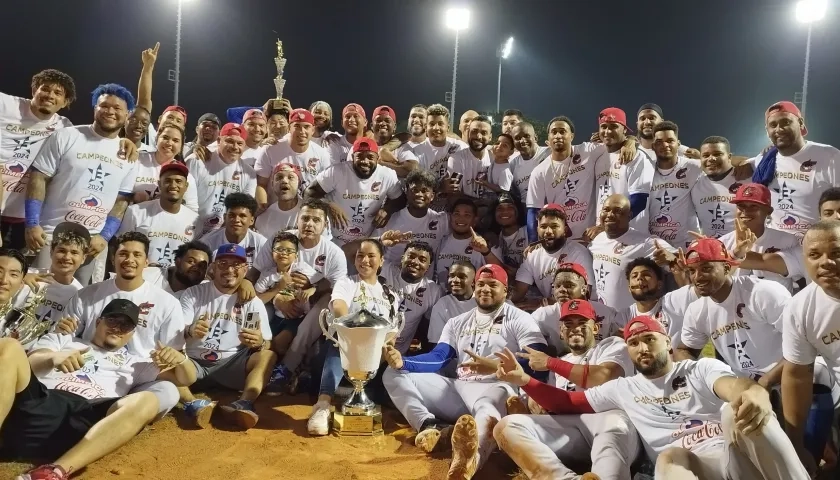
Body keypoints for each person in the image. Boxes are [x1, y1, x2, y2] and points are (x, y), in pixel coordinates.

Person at [496, 315, 811, 480]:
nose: (642, 348)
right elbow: (567, 404)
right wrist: (524, 381)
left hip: (737, 460)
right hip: (698, 470)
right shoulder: (625, 388)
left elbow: (732, 387)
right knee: (668, 458)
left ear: (668, 345)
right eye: (634, 344)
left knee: (734, 412)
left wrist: (753, 391)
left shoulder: (699, 368)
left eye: (649, 340)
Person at [382, 264, 547, 479]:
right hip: (459, 387)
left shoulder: (520, 318)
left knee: (488, 407)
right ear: (474, 286)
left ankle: (468, 462)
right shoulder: (457, 321)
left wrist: (495, 366)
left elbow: (538, 362)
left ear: (505, 290)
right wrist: (403, 362)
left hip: (497, 386)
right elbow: (439, 358)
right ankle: (429, 425)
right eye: (481, 284)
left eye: (492, 285)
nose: (485, 289)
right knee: (392, 374)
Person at [1, 299, 196, 480]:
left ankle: (54, 472)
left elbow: (185, 378)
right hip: (41, 402)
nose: (117, 328)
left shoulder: (137, 364)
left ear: (132, 333)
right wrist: (53, 358)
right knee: (9, 345)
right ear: (98, 322)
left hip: (86, 418)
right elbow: (31, 361)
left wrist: (182, 359)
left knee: (148, 400)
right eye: (112, 320)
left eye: (125, 325)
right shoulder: (65, 340)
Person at [494, 299, 639, 480]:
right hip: (571, 429)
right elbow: (557, 403)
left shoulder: (612, 345)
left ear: (596, 328)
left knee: (614, 424)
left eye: (582, 323)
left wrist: (550, 362)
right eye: (568, 324)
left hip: (609, 421)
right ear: (561, 332)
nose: (575, 328)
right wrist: (524, 383)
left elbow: (604, 375)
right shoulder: (562, 362)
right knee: (507, 426)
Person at [25, 83, 139, 284]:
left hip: (91, 243)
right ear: (95, 108)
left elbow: (122, 200)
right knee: (36, 297)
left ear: (127, 114)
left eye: (117, 108)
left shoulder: (128, 155)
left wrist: (104, 236)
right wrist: (32, 223)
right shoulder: (67, 136)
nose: (109, 111)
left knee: (76, 302)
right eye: (104, 106)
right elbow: (38, 177)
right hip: (50, 235)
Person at [307, 238, 402, 436]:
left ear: (382, 260)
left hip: (372, 359)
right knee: (342, 343)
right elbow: (339, 305)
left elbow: (392, 331)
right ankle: (322, 406)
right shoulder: (347, 282)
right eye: (360, 256)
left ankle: (362, 396)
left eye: (371, 256)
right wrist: (353, 331)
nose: (365, 260)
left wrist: (387, 347)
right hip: (345, 351)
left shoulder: (391, 293)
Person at [178, 244, 276, 430]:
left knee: (267, 356)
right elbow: (178, 330)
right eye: (223, 264)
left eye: (236, 265)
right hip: (193, 361)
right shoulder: (194, 293)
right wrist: (190, 330)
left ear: (245, 270)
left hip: (231, 363)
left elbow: (266, 342)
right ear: (213, 268)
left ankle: (244, 403)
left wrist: (259, 342)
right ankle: (193, 404)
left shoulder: (250, 301)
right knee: (164, 357)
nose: (229, 270)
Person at [782, 221, 840, 475]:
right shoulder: (801, 308)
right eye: (814, 255)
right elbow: (797, 375)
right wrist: (795, 442)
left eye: (836, 253)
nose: (825, 262)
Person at [1, 69, 75, 250]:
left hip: (25, 217)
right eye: (45, 89)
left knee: (14, 273)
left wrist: (127, 141)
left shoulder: (64, 127)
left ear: (65, 102)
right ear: (34, 90)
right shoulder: (6, 105)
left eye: (58, 93)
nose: (50, 95)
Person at [751, 101, 840, 241]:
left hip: (818, 243)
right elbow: (734, 166)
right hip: (776, 243)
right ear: (767, 131)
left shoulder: (830, 156)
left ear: (801, 123)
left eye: (785, 122)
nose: (779, 129)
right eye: (773, 125)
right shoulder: (763, 160)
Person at [304, 137, 400, 245]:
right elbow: (309, 193)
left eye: (370, 157)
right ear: (352, 157)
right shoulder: (337, 171)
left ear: (377, 158)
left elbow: (400, 199)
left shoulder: (387, 175)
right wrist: (328, 205)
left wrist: (387, 209)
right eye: (359, 156)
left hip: (365, 241)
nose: (365, 161)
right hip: (333, 240)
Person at [588, 194, 676, 310]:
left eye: (618, 211)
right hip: (603, 318)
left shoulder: (645, 242)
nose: (610, 215)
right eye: (606, 210)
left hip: (630, 319)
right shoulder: (596, 240)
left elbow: (680, 258)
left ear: (629, 216)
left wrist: (673, 258)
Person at [11, 223, 87, 345]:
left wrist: (67, 331)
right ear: (51, 252)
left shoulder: (81, 296)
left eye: (74, 252)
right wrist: (17, 279)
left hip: (42, 351)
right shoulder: (26, 274)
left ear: (83, 258)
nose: (67, 257)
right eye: (62, 250)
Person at [719, 183, 802, 292]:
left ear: (769, 211)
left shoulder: (787, 240)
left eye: (753, 206)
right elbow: (717, 281)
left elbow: (801, 282)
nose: (746, 211)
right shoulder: (721, 243)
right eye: (741, 206)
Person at [509, 204, 593, 307]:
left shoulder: (578, 253)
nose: (548, 232)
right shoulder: (532, 256)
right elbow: (518, 292)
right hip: (552, 312)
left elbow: (584, 294)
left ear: (565, 230)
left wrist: (542, 303)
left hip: (579, 311)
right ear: (537, 229)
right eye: (543, 227)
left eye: (554, 226)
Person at [118, 161, 199, 266]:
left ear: (186, 186)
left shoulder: (195, 220)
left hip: (176, 280)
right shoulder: (135, 212)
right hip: (142, 278)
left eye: (178, 181)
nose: (173, 185)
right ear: (159, 185)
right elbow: (121, 249)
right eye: (167, 181)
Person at [187, 122, 258, 235]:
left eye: (240, 143)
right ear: (219, 141)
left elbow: (244, 208)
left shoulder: (249, 173)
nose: (235, 147)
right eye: (229, 141)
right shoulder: (197, 160)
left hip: (222, 234)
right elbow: (187, 201)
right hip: (191, 228)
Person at [253, 231, 317, 354]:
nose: (283, 253)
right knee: (267, 343)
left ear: (296, 255)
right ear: (272, 253)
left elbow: (321, 285)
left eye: (289, 251)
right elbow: (256, 300)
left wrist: (310, 290)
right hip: (277, 317)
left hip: (299, 318)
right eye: (279, 249)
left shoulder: (302, 269)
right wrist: (277, 289)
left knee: (281, 342)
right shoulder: (267, 275)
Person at [531, 263, 617, 353]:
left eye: (569, 286)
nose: (561, 290)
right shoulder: (542, 316)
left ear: (584, 289)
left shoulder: (607, 313)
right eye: (557, 286)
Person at [254, 109, 331, 207]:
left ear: (312, 130)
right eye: (297, 126)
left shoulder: (322, 154)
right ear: (289, 128)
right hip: (277, 210)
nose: (302, 131)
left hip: (306, 213)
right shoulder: (270, 150)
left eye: (306, 127)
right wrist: (263, 208)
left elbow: (326, 189)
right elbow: (261, 184)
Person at [373, 169, 449, 266]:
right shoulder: (390, 218)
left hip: (422, 279)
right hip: (389, 278)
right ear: (407, 192)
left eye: (424, 190)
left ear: (432, 196)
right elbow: (371, 244)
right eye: (414, 190)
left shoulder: (442, 220)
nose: (419, 194)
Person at [593, 108, 653, 232]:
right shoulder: (597, 156)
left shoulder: (636, 156)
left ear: (625, 129)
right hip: (603, 233)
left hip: (630, 234)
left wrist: (607, 225)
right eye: (603, 126)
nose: (607, 131)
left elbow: (640, 200)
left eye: (613, 126)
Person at [615, 257, 697, 346]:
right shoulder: (624, 317)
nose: (639, 278)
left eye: (646, 274)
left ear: (659, 284)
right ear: (629, 288)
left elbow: (696, 291)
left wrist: (685, 273)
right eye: (634, 276)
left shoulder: (671, 302)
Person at [647, 121, 701, 248]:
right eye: (659, 142)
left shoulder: (693, 166)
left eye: (670, 140)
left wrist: (747, 164)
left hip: (688, 244)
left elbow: (726, 164)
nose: (665, 145)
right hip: (655, 243)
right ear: (653, 146)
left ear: (678, 144)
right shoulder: (645, 169)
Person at [433, 198, 502, 290]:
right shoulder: (441, 241)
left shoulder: (487, 243)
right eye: (457, 214)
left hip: (471, 302)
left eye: (467, 215)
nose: (461, 218)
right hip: (443, 300)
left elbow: (499, 274)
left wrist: (486, 252)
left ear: (475, 220)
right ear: (451, 217)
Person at [131, 123, 199, 211]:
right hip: (132, 219)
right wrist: (133, 197)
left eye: (175, 140)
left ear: (181, 147)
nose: (169, 143)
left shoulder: (185, 175)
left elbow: (192, 210)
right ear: (157, 139)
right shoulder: (137, 159)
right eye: (165, 137)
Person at [690, 136, 741, 238]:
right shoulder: (695, 185)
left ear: (729, 157)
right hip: (711, 250)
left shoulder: (746, 178)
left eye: (717, 154)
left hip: (744, 248)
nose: (711, 158)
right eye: (705, 155)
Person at [199, 193, 266, 268]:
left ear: (252, 220)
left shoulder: (261, 244)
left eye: (242, 216)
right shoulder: (207, 243)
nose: (236, 220)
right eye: (232, 215)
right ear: (224, 217)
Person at [427, 260, 476, 345]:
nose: (455, 280)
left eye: (462, 277)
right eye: (451, 276)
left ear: (473, 282)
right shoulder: (442, 304)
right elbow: (436, 343)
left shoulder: (483, 302)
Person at [142, 240, 212, 298]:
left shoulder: (206, 291)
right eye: (191, 261)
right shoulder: (147, 275)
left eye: (202, 266)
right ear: (178, 262)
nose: (196, 267)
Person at [371, 105, 419, 178]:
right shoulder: (364, 145)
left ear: (395, 127)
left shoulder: (401, 146)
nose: (382, 124)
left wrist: (381, 163)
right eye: (378, 120)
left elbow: (412, 169)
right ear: (371, 126)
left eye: (387, 121)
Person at [509, 122, 550, 202]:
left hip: (551, 209)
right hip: (528, 210)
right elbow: (516, 194)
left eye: (526, 136)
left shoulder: (549, 153)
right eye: (517, 138)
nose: (522, 141)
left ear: (535, 137)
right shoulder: (512, 165)